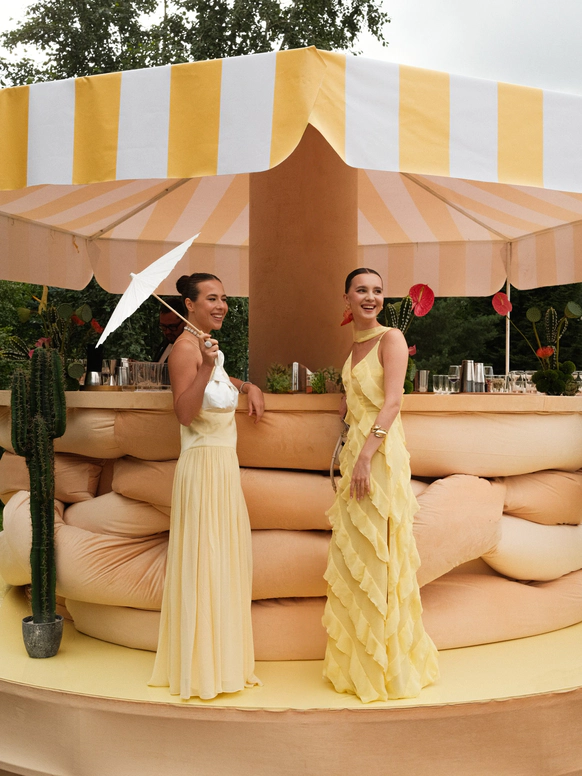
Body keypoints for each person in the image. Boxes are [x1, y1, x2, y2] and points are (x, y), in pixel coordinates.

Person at [323, 268, 439, 703]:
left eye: (377, 291)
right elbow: (360, 398)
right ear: (347, 298)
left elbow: (393, 402)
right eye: (361, 290)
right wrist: (347, 407)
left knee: (380, 553)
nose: (370, 297)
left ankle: (388, 667)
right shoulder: (354, 345)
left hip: (380, 457)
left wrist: (366, 456)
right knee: (356, 553)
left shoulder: (391, 338)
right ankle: (360, 665)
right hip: (357, 452)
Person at [149, 272, 264, 700]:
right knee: (205, 562)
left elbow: (218, 387)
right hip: (202, 468)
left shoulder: (205, 345)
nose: (221, 306)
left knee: (223, 563)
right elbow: (184, 412)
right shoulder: (185, 348)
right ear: (190, 305)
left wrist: (246, 384)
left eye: (224, 298)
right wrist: (209, 366)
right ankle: (201, 671)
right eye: (212, 298)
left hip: (224, 467)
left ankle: (223, 664)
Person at [154, 298, 186, 363]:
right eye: (163, 326)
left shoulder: (189, 348)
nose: (167, 331)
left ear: (185, 322)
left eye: (172, 326)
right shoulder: (164, 343)